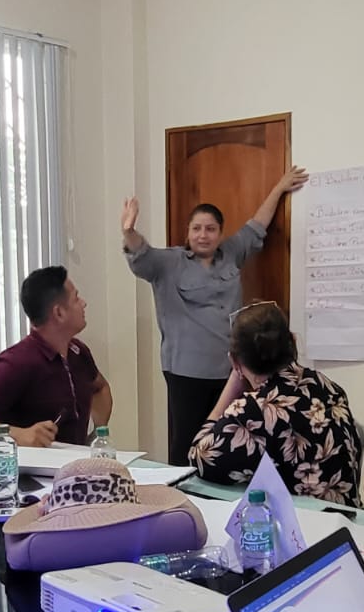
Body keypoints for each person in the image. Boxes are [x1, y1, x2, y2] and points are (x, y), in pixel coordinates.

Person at [122, 165, 309, 464]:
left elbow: (257, 224)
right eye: (196, 228)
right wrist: (129, 231)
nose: (203, 235)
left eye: (210, 229)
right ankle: (181, 491)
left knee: (226, 441)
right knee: (187, 443)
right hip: (187, 373)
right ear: (188, 232)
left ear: (221, 233)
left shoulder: (231, 253)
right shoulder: (169, 263)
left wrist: (280, 187)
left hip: (230, 372)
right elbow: (141, 255)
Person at [189, 302, 364, 507]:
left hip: (303, 522)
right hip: (349, 518)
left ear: (235, 362)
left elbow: (199, 458)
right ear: (293, 341)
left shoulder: (253, 411)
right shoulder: (327, 385)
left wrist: (232, 385)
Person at [0, 266, 112, 448]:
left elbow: (100, 388)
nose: (83, 303)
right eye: (76, 298)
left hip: (76, 461)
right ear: (59, 313)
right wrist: (19, 435)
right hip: (33, 464)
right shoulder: (16, 362)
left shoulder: (79, 352)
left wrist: (98, 433)